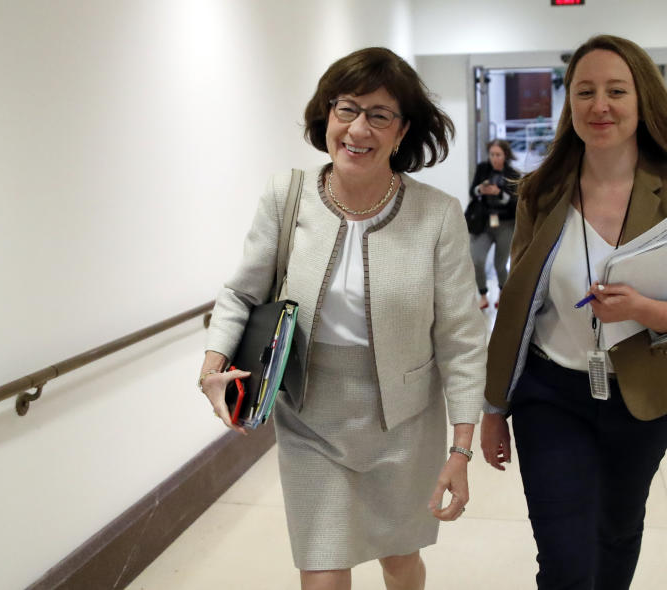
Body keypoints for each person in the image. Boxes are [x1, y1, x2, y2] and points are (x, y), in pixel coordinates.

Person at [198, 47, 486, 590]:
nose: (358, 129)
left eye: (379, 115)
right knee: (322, 572)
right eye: (347, 109)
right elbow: (241, 293)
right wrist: (213, 366)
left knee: (400, 561)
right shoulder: (289, 195)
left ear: (402, 132)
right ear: (326, 116)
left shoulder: (437, 215)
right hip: (311, 416)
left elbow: (462, 340)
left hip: (404, 423)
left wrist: (461, 448)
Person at [479, 34, 667, 590]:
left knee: (615, 534)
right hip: (550, 395)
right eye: (584, 92)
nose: (599, 106)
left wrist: (650, 310)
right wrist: (495, 406)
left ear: (642, 100)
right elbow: (517, 309)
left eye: (616, 90)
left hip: (642, 401)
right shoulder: (542, 191)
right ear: (570, 105)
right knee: (564, 560)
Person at [468, 139, 520, 309]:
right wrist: (480, 190)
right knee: (477, 259)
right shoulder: (483, 169)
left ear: (505, 155)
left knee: (500, 263)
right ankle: (483, 294)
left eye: (498, 155)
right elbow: (472, 191)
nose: (494, 158)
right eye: (492, 154)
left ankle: (502, 293)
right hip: (483, 222)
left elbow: (515, 202)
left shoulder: (513, 175)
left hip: (505, 223)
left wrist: (499, 193)